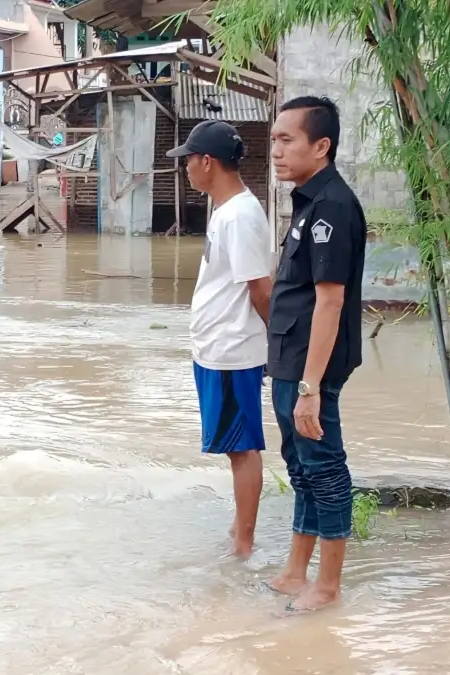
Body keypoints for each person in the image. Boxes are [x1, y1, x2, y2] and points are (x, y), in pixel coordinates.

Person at [266, 96, 367, 611]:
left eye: (288, 140)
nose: (276, 151)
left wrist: (309, 387)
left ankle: (327, 587)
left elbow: (331, 301)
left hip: (313, 364)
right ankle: (294, 570)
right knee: (300, 464)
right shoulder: (307, 200)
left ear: (321, 146)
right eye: (274, 139)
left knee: (324, 465)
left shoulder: (332, 205)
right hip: (290, 355)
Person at [166, 120, 273, 558]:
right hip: (216, 347)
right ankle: (238, 529)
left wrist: (276, 345)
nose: (186, 168)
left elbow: (261, 289)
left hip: (233, 349)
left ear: (207, 162)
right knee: (234, 445)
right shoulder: (225, 212)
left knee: (242, 447)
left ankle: (244, 545)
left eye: (189, 159)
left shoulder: (241, 216)